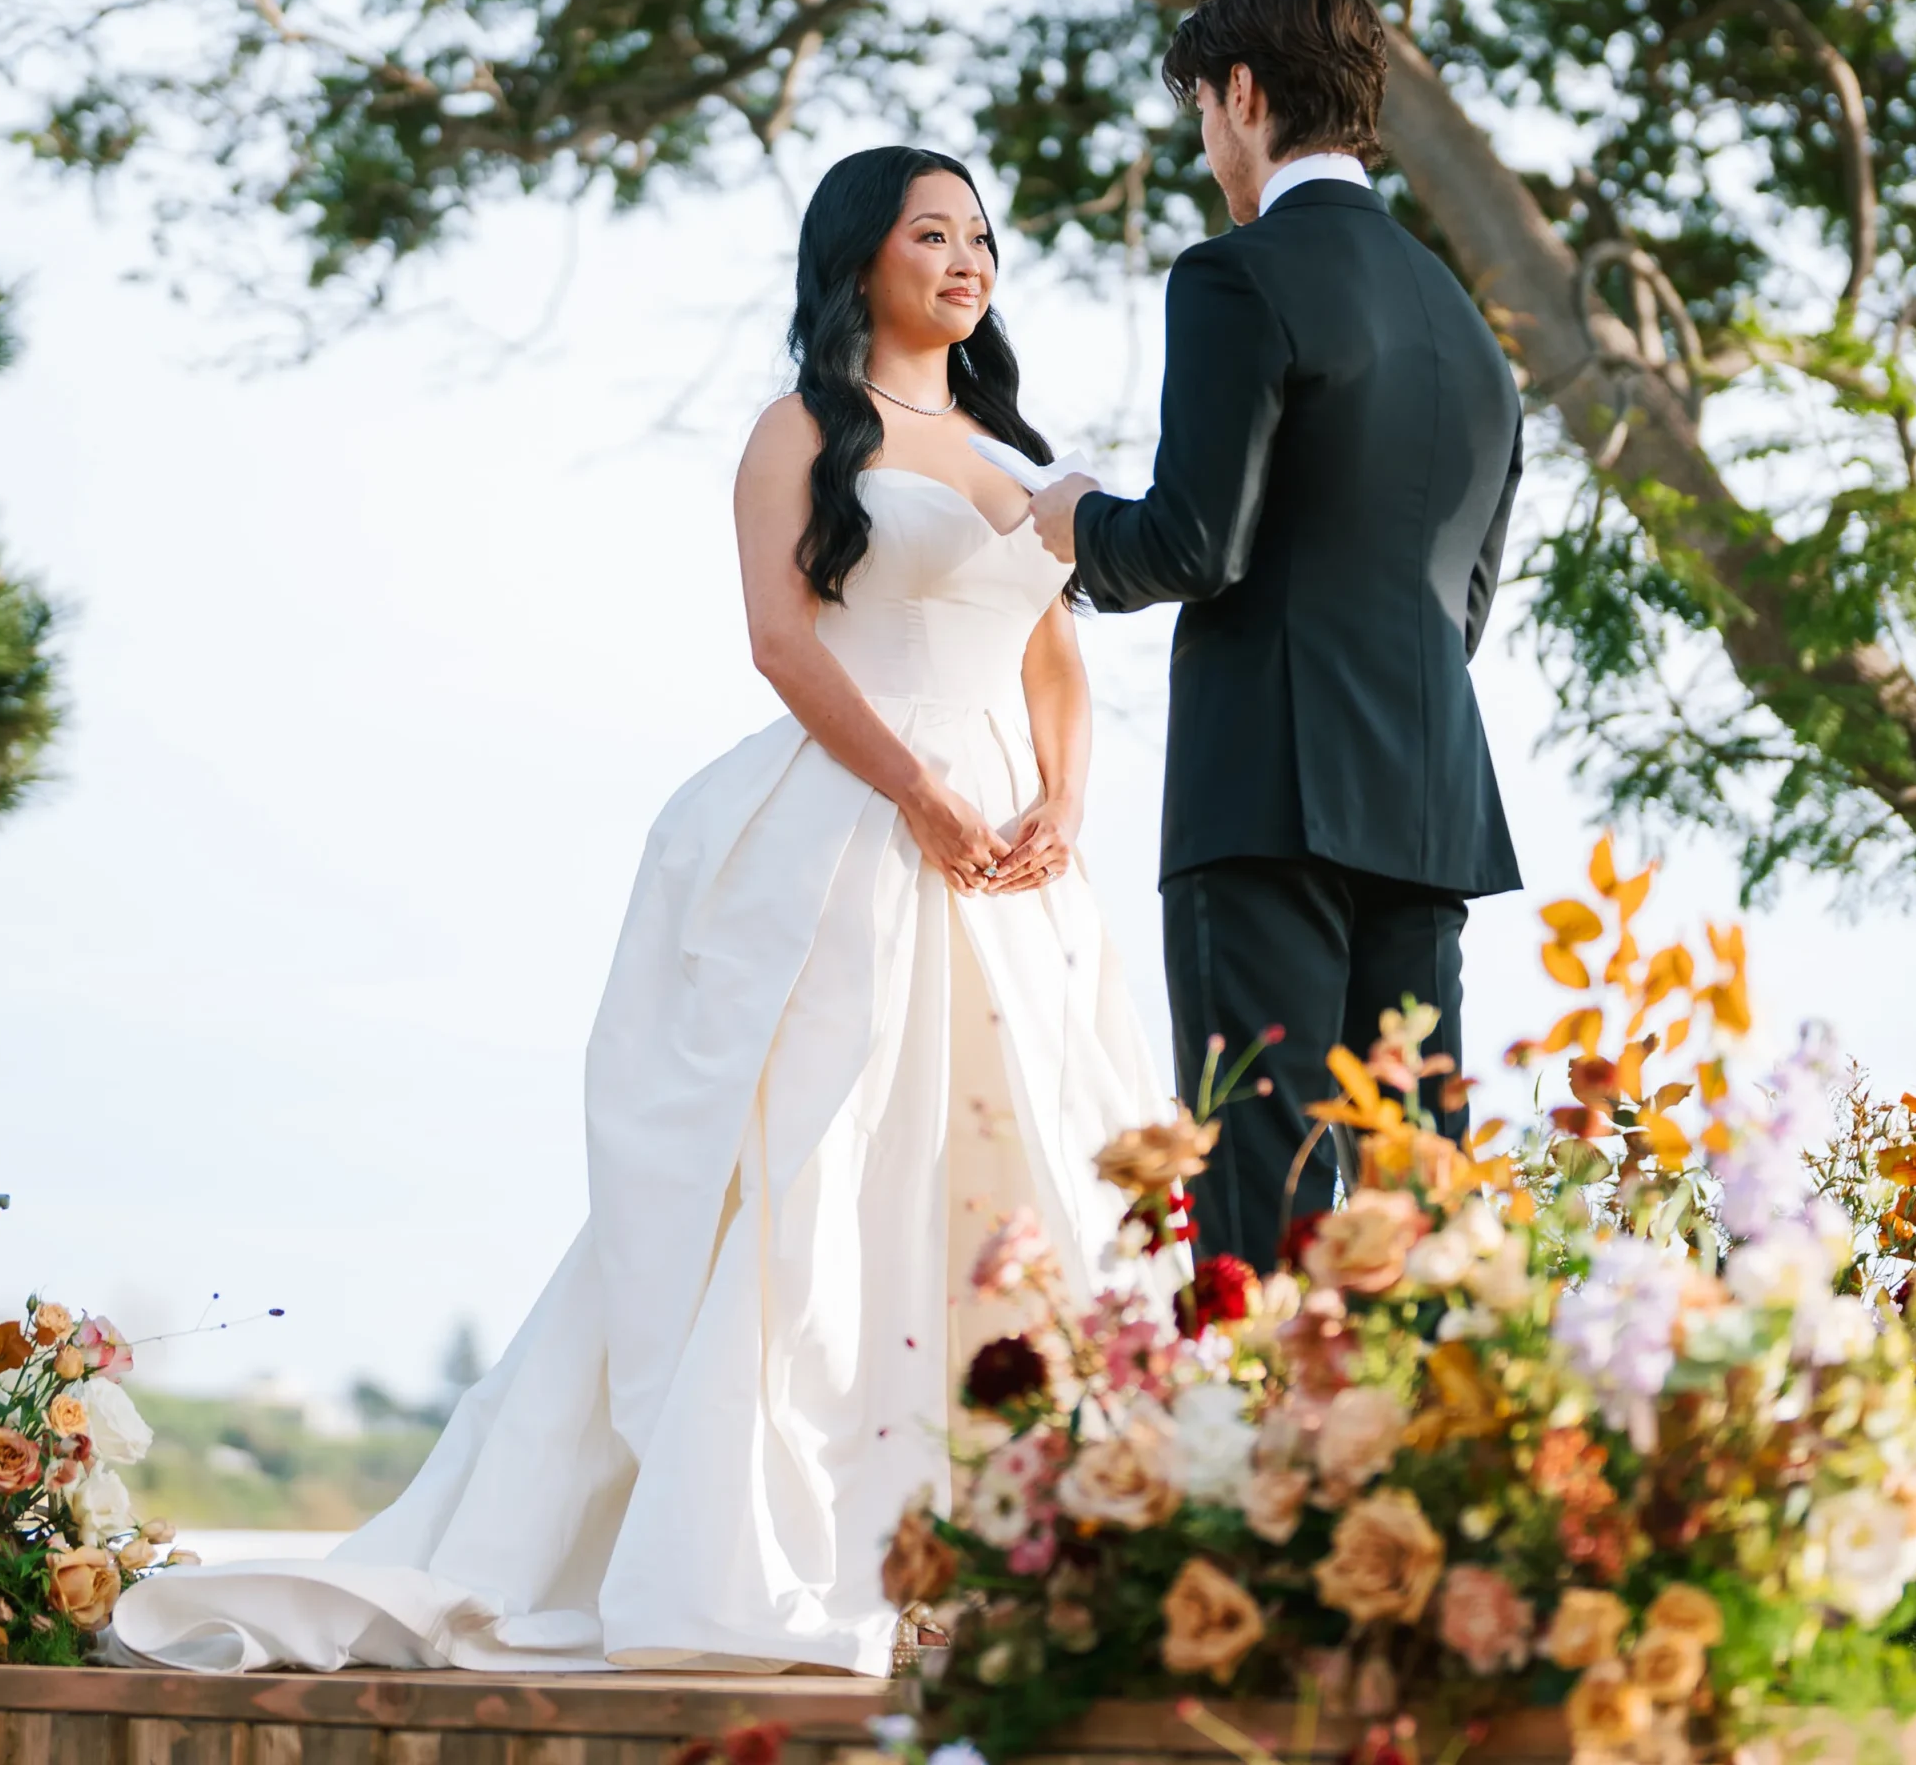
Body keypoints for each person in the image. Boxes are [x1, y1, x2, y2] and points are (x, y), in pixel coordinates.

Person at [113, 147, 1164, 1677]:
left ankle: (1002, 1546)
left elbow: (1057, 661)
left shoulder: (1019, 451)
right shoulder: (802, 429)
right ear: (859, 258)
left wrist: (1057, 810)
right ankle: (761, 1540)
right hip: (860, 828)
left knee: (1013, 1179)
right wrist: (917, 797)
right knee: (816, 1161)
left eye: (981, 235)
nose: (966, 258)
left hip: (1009, 866)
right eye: (929, 233)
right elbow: (782, 646)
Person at [1029, 0, 1523, 1266]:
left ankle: (1261, 1464)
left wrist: (1069, 520)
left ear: (1242, 94)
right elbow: (1463, 600)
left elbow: (1191, 543)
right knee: (1415, 1200)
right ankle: (1419, 1459)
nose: (1205, 148)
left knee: (1265, 1182)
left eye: (1200, 113)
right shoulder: (1469, 330)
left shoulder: (1238, 275)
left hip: (1264, 799)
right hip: (1428, 803)